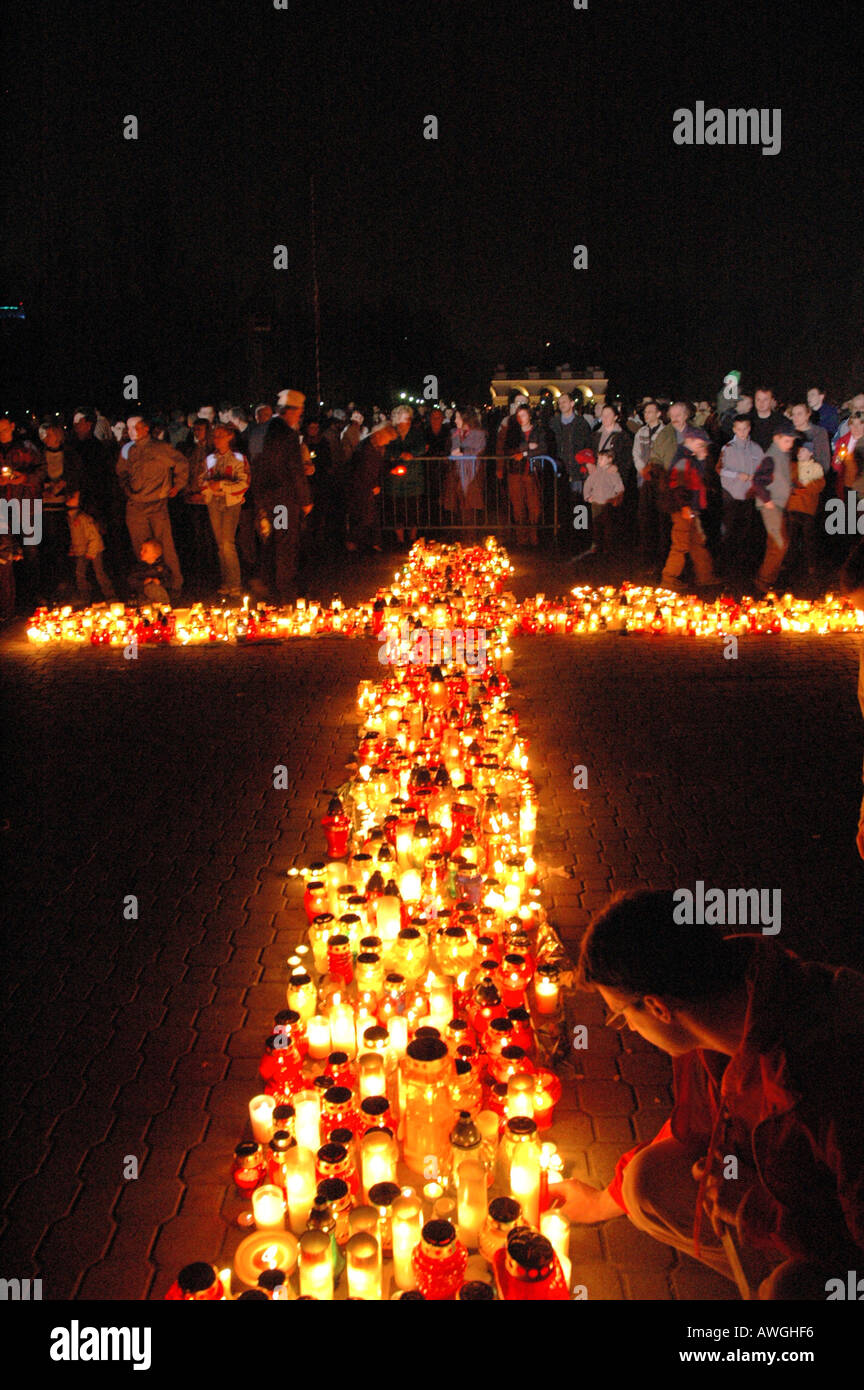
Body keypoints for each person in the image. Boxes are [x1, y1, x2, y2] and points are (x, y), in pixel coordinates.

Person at [552, 890, 864, 1301]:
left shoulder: (828, 1067)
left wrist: (758, 1212)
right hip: (794, 1189)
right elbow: (700, 1126)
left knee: (790, 1291)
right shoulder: (717, 1002)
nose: (628, 1029)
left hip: (846, 1240)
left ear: (657, 1008)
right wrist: (599, 1203)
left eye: (621, 1017)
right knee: (645, 1181)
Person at [116, 415, 188, 597]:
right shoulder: (127, 450)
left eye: (136, 427)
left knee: (165, 545)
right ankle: (145, 586)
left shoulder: (160, 448)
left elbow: (181, 463)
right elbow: (121, 471)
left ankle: (173, 584)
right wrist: (127, 489)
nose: (132, 431)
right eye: (129, 427)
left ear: (146, 428)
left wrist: (178, 485)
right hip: (135, 505)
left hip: (157, 504)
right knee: (141, 548)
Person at [253, 388, 313, 603]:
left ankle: (270, 581)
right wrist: (305, 500)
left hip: (268, 497)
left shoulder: (262, 430)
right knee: (285, 542)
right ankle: (284, 588)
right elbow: (295, 469)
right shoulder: (287, 434)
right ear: (291, 411)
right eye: (299, 411)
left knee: (274, 539)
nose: (299, 416)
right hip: (284, 499)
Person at [660, 426, 716, 590]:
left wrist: (701, 459)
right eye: (700, 443)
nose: (703, 447)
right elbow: (679, 485)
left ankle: (705, 575)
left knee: (696, 542)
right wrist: (684, 506)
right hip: (683, 509)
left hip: (689, 508)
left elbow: (698, 478)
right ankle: (669, 578)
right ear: (689, 440)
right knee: (681, 543)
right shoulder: (683, 459)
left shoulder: (689, 457)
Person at [201, 422, 250, 597]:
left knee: (228, 543)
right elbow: (203, 480)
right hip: (214, 503)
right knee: (221, 545)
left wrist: (222, 485)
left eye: (220, 435)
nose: (217, 439)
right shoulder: (210, 459)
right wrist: (208, 488)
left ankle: (235, 583)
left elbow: (243, 482)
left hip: (231, 503)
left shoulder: (238, 458)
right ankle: (226, 582)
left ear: (230, 437)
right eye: (215, 436)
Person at [750, 422, 795, 593]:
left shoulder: (782, 455)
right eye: (786, 441)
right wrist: (767, 500)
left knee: (779, 543)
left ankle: (769, 579)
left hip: (778, 504)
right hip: (772, 506)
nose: (789, 444)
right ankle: (764, 580)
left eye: (791, 441)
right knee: (779, 544)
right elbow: (758, 481)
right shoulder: (771, 457)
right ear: (776, 439)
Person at [717, 416, 762, 580]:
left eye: (745, 428)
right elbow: (720, 469)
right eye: (739, 429)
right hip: (731, 495)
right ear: (734, 429)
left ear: (749, 429)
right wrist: (737, 475)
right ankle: (725, 565)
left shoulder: (756, 449)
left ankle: (742, 566)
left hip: (748, 496)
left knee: (745, 531)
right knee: (729, 531)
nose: (742, 432)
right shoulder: (727, 448)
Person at [498, 404, 545, 547]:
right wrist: (527, 447)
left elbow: (542, 448)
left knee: (534, 505)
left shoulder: (538, 430)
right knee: (518, 506)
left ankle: (534, 537)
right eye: (519, 416)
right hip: (515, 472)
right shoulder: (512, 432)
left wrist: (524, 453)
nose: (521, 418)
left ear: (530, 416)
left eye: (524, 415)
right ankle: (521, 539)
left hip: (531, 472)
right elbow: (509, 450)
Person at [347, 421, 395, 552]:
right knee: (363, 516)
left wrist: (390, 469)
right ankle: (354, 542)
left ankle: (373, 542)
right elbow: (362, 470)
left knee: (372, 516)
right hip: (361, 487)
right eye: (387, 439)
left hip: (369, 486)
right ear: (380, 435)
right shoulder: (365, 449)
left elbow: (378, 466)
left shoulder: (377, 447)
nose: (387, 443)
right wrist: (372, 485)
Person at [385, 404, 427, 546]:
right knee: (398, 509)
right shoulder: (390, 433)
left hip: (413, 477)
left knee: (414, 508)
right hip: (396, 479)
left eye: (408, 419)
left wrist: (412, 453)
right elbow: (385, 449)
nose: (406, 423)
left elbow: (422, 447)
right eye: (403, 420)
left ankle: (412, 537)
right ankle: (400, 539)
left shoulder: (416, 433)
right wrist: (399, 454)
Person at [784, 439, 825, 581]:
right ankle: (789, 564)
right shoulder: (792, 466)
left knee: (809, 539)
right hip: (794, 507)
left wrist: (803, 487)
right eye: (799, 451)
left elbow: (818, 485)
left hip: (807, 509)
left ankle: (811, 564)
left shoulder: (816, 468)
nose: (800, 453)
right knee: (792, 538)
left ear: (811, 453)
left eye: (803, 451)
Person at [65, 488, 115, 601]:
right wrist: (73, 548)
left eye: (73, 497)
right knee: (79, 573)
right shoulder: (71, 517)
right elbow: (75, 536)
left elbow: (94, 537)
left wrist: (91, 552)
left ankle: (110, 596)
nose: (69, 498)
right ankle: (84, 597)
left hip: (94, 550)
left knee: (99, 573)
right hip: (81, 550)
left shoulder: (84, 518)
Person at [447, 409, 487, 538]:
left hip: (473, 473)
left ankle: (472, 536)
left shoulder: (478, 434)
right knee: (461, 504)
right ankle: (463, 535)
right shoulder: (455, 433)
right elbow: (455, 451)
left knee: (471, 504)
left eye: (458, 417)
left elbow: (472, 450)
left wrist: (462, 450)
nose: (455, 420)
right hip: (459, 472)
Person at [581, 447, 624, 558]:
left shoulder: (613, 474)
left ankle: (607, 546)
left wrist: (616, 499)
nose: (598, 461)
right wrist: (587, 496)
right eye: (598, 458)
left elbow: (620, 488)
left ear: (610, 459)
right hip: (596, 503)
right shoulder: (595, 472)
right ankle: (596, 545)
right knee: (596, 525)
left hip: (607, 504)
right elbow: (587, 484)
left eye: (601, 459)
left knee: (608, 525)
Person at [129, 539, 173, 607]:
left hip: (159, 596)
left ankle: (163, 604)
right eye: (141, 549)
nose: (141, 552)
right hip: (143, 596)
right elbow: (131, 580)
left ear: (155, 555)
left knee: (155, 589)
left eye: (145, 551)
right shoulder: (139, 568)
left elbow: (169, 580)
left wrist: (160, 581)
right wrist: (143, 582)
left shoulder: (162, 568)